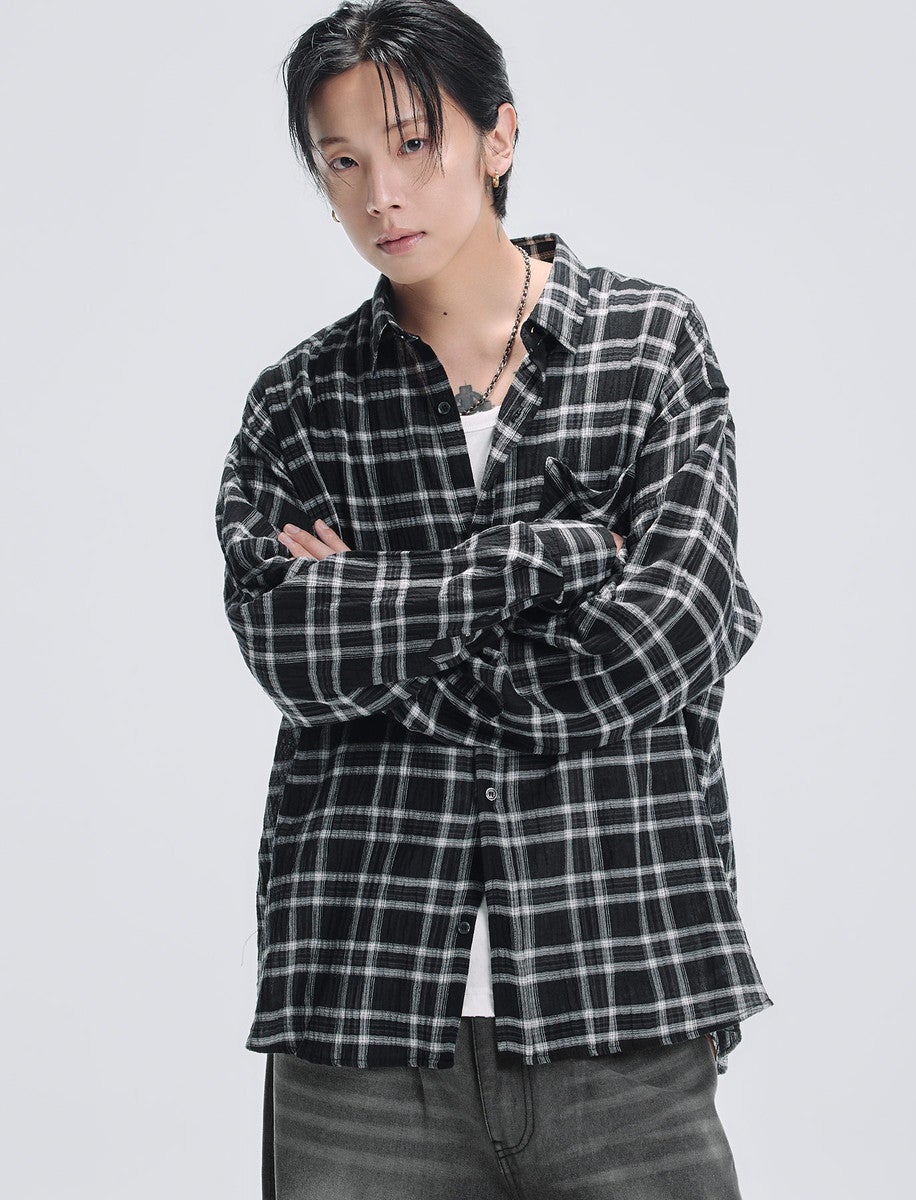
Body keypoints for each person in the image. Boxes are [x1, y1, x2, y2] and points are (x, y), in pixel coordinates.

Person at [215, 2, 774, 1197]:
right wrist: (542, 560)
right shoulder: (299, 403)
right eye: (342, 163)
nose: (381, 196)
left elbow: (662, 640)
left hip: (625, 983)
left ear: (499, 137)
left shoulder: (648, 347)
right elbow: (291, 650)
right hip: (360, 1013)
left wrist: (381, 633)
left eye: (414, 144)